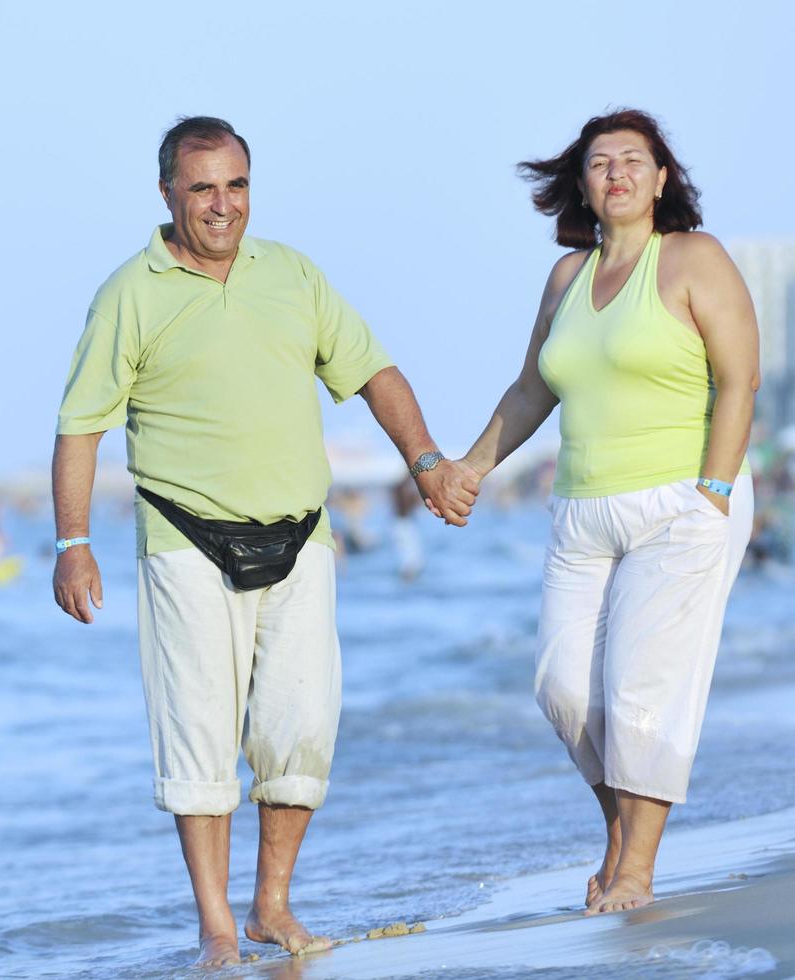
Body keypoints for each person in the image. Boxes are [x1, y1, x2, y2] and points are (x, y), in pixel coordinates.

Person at [51, 116, 478, 966]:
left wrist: (425, 459)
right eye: (203, 187)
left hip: (301, 534)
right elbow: (79, 426)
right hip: (184, 534)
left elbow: (371, 371)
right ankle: (215, 926)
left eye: (237, 185)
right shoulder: (129, 293)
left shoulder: (291, 275)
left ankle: (270, 907)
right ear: (168, 192)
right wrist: (72, 542)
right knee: (199, 734)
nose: (222, 205)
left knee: (301, 726)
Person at [456, 109, 759, 916]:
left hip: (683, 499)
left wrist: (715, 493)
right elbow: (533, 390)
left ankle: (636, 872)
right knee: (563, 689)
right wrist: (470, 469)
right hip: (583, 511)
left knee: (640, 689)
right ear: (581, 184)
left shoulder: (695, 259)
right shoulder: (565, 279)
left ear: (662, 178)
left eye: (634, 160)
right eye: (600, 163)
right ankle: (621, 836)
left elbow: (740, 381)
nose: (617, 173)